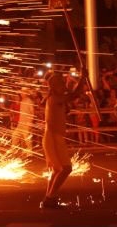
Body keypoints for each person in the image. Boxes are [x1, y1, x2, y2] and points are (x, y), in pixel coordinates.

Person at [41, 71, 87, 209]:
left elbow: (71, 95)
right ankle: (50, 197)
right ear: (55, 86)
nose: (64, 86)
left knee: (57, 170)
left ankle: (49, 198)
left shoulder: (56, 98)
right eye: (61, 84)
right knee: (66, 169)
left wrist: (79, 81)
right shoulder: (54, 98)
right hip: (52, 137)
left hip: (54, 137)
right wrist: (82, 79)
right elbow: (73, 95)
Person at [11, 88, 35, 152]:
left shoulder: (29, 101)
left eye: (22, 92)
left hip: (26, 124)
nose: (21, 94)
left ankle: (30, 152)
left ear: (26, 93)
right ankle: (13, 150)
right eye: (21, 92)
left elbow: (32, 113)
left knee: (27, 139)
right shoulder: (22, 101)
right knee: (14, 135)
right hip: (21, 123)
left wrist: (30, 123)